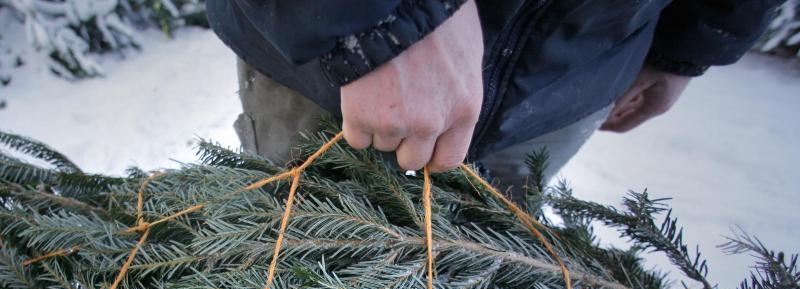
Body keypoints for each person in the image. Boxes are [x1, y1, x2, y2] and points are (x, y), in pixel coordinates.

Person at [206, 0, 780, 195]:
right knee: (285, 254)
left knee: (484, 288)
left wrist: (694, 39)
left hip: (575, 68)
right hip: (327, 60)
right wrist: (382, 22)